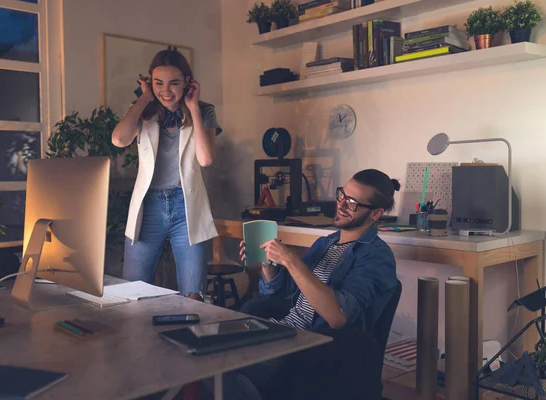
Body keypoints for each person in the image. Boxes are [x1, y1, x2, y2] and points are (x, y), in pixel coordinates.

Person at [211, 169, 400, 399]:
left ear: (376, 214)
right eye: (342, 195)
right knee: (210, 344)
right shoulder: (326, 243)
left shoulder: (376, 256)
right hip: (281, 328)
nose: (340, 204)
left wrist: (290, 259)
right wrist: (270, 264)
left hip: (310, 345)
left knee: (219, 372)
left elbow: (338, 316)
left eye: (351, 203)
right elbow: (279, 293)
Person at [112, 47, 222, 300]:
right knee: (132, 293)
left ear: (187, 83)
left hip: (187, 207)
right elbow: (118, 139)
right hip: (149, 206)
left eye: (174, 83)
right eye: (158, 83)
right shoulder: (145, 110)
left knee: (193, 295)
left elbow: (205, 159)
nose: (166, 90)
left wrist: (193, 108)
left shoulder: (204, 111)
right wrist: (144, 99)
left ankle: (191, 340)